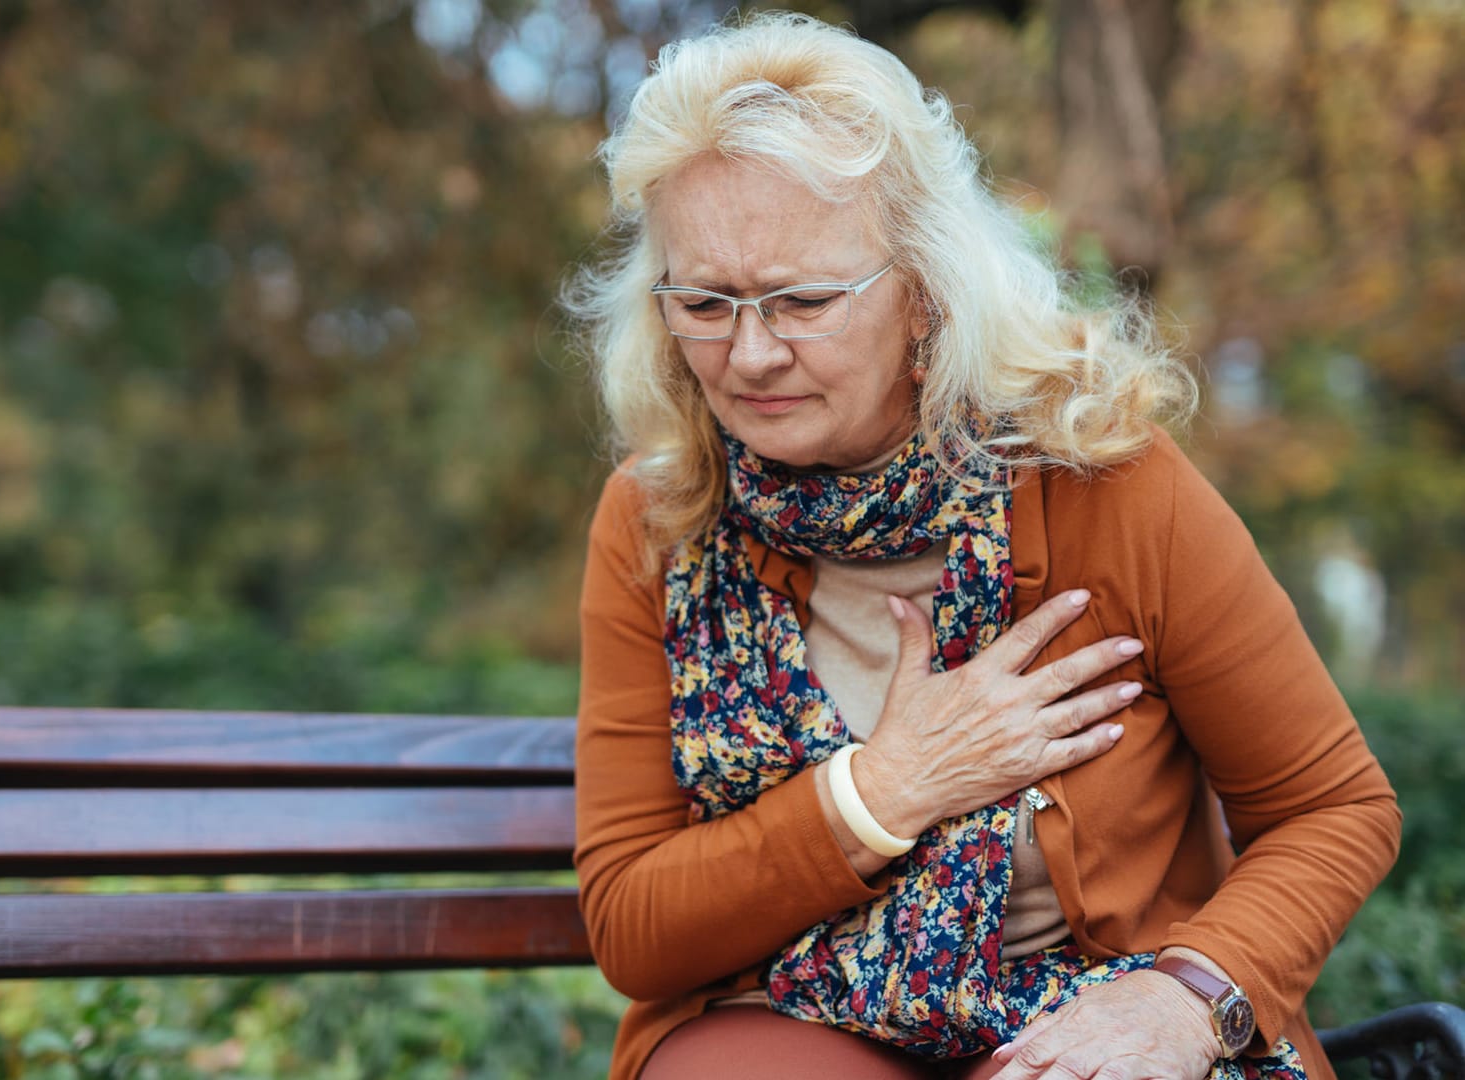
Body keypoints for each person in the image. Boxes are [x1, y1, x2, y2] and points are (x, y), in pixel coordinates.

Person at [567, 13, 1400, 1080]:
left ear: (923, 292)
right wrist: (887, 790)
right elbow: (635, 926)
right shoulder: (659, 517)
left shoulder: (1105, 479)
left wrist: (1189, 997)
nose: (752, 353)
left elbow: (1335, 808)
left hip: (1094, 1013)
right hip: (793, 1025)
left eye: (805, 300)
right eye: (705, 302)